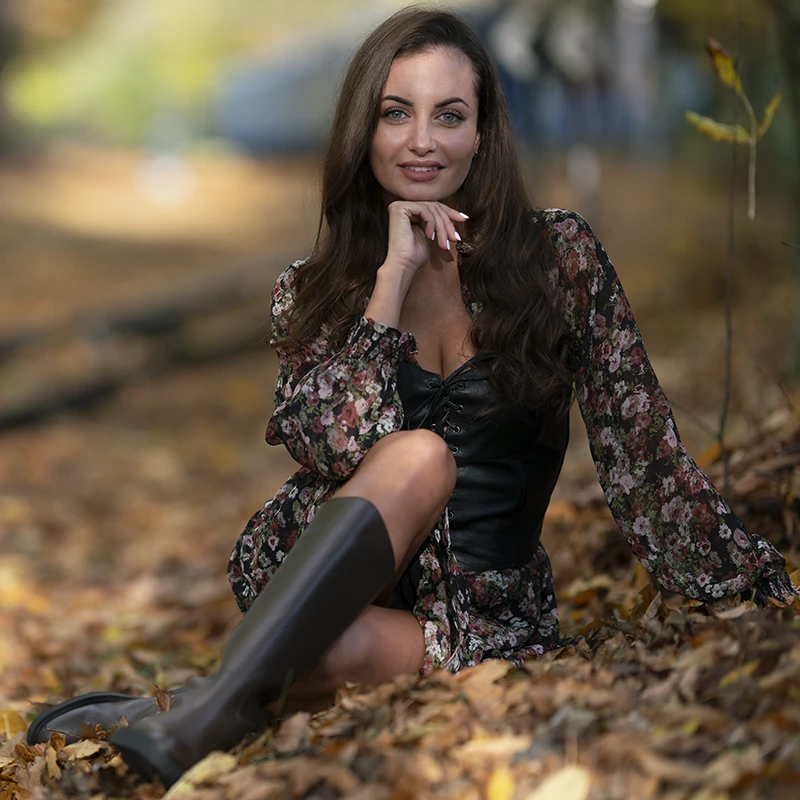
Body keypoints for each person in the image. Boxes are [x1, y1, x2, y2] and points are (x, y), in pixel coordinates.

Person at [27, 6, 797, 787]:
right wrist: (389, 284)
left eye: (449, 116)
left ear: (482, 133)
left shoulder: (558, 257)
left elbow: (645, 459)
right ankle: (202, 716)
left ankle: (181, 711)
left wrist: (754, 592)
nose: (422, 140)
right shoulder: (314, 291)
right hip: (324, 578)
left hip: (479, 623)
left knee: (317, 654)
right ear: (363, 129)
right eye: (397, 113)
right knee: (419, 456)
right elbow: (332, 446)